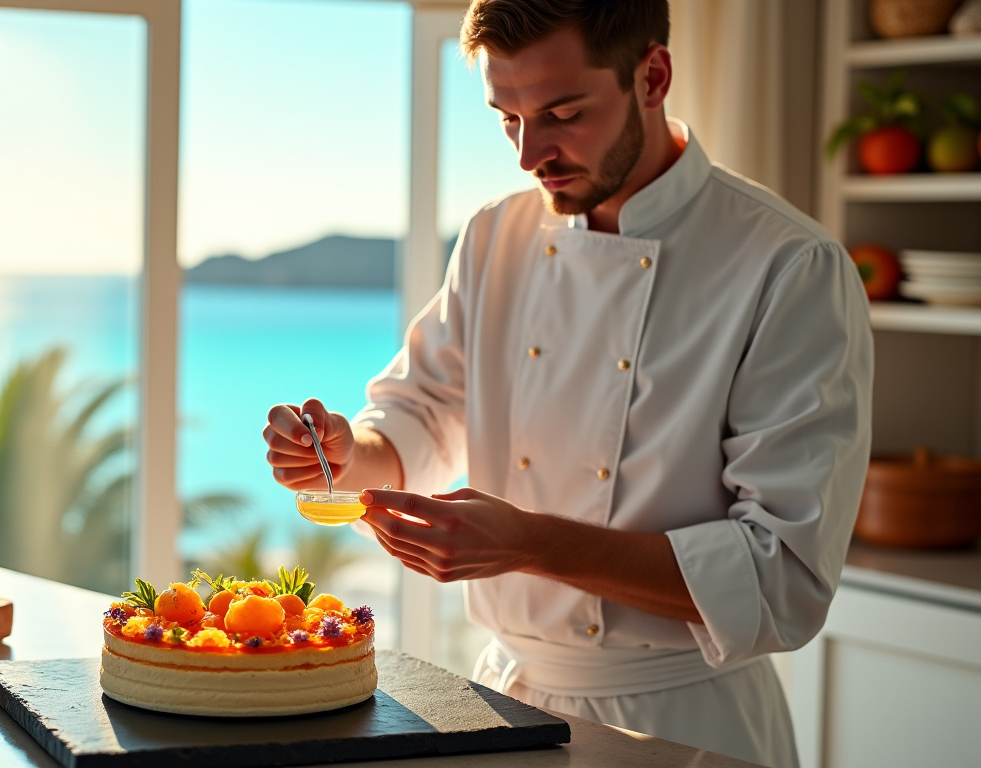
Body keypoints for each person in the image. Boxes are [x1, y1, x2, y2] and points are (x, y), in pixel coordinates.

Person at [262, 2, 872, 767]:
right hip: (503, 706)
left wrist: (529, 543)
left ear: (653, 76)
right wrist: (346, 451)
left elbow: (779, 577)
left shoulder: (787, 266)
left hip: (687, 725)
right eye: (506, 116)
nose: (528, 153)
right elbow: (421, 414)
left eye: (563, 112)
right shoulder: (496, 235)